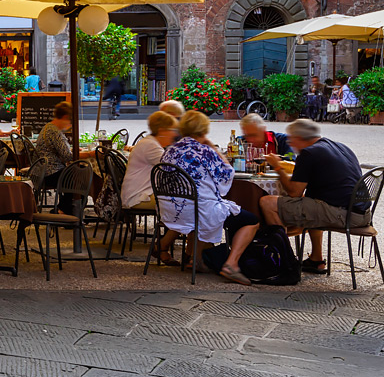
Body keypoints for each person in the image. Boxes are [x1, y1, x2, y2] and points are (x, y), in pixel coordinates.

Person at [154, 111, 260, 285]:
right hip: (197, 211)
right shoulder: (204, 150)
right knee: (252, 221)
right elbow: (227, 175)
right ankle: (231, 265)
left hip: (171, 211)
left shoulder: (170, 150)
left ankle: (195, 260)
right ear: (203, 130)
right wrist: (213, 147)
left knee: (201, 207)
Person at [261, 118, 368, 274]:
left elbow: (294, 192)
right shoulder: (340, 146)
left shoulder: (309, 153)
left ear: (299, 138)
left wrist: (277, 166)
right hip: (361, 212)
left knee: (267, 203)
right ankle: (316, 259)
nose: (291, 145)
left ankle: (285, 261)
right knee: (311, 200)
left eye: (291, 140)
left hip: (345, 214)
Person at [34, 101, 96, 209]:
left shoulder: (49, 127)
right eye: (70, 122)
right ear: (65, 117)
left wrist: (74, 150)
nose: (70, 126)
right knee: (80, 177)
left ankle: (66, 208)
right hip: (50, 173)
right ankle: (65, 210)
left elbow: (61, 151)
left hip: (43, 171)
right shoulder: (54, 131)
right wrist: (90, 153)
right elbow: (67, 156)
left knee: (78, 173)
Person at [121, 111, 179, 208]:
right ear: (162, 131)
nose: (174, 134)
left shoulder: (151, 142)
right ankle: (168, 223)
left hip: (141, 192)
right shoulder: (151, 146)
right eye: (172, 130)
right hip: (137, 197)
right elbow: (172, 168)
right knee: (180, 203)